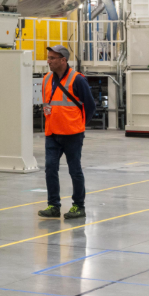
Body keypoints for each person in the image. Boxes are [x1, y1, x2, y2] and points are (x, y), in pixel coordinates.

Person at [37, 45, 95, 220]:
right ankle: (53, 205)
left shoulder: (77, 80)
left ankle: (79, 206)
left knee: (74, 170)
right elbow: (48, 103)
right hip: (52, 133)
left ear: (63, 60)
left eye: (52, 58)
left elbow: (90, 106)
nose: (49, 61)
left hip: (72, 134)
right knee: (50, 169)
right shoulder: (47, 79)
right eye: (48, 58)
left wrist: (79, 124)